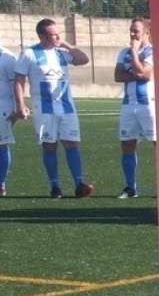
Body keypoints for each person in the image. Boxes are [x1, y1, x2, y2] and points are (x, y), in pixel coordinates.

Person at [13, 18, 93, 198]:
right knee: (49, 146)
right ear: (42, 36)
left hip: (67, 107)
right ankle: (55, 186)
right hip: (44, 109)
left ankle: (79, 184)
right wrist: (21, 104)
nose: (57, 37)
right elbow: (19, 81)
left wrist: (64, 43)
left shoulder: (61, 52)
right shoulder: (29, 53)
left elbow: (84, 59)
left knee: (72, 143)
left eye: (58, 34)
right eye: (53, 35)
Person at [113, 17, 155, 199]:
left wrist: (135, 52)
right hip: (129, 105)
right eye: (131, 30)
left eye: (136, 31)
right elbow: (118, 76)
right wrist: (137, 73)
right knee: (127, 144)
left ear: (146, 33)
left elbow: (144, 73)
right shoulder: (123, 52)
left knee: (158, 145)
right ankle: (131, 188)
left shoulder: (152, 51)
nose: (132, 34)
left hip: (149, 105)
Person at [0, 43, 18, 197]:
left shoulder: (7, 57)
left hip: (2, 107)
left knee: (1, 145)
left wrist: (18, 107)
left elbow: (17, 84)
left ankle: (1, 183)